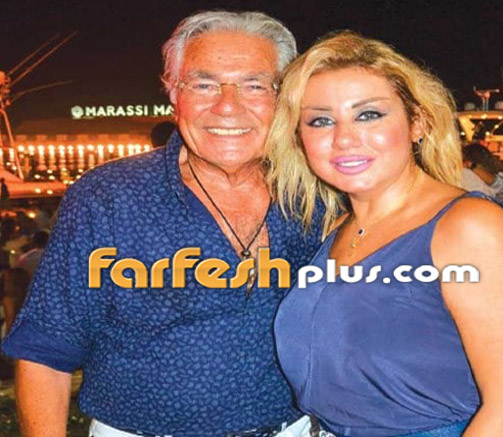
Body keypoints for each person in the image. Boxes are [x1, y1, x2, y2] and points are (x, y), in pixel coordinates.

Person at [2, 11, 323, 437]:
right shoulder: (108, 198)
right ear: (173, 93)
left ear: (285, 97)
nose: (228, 105)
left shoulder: (319, 194)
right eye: (203, 85)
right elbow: (45, 349)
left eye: (255, 85)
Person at [268, 32, 503, 436]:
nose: (344, 138)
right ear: (299, 137)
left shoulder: (467, 228)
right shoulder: (337, 229)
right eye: (321, 120)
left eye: (368, 115)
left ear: (418, 122)